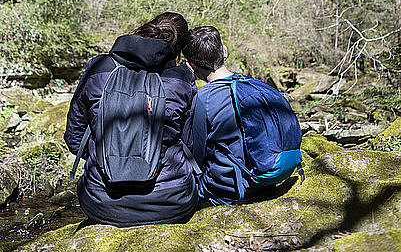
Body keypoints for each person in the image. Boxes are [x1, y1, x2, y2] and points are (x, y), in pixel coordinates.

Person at [64, 12, 198, 227]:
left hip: (101, 201)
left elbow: (74, 138)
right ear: (179, 49)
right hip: (172, 201)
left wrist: (111, 155)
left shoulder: (99, 68)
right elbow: (192, 145)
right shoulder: (181, 79)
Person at [182, 26, 302, 206]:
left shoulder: (204, 98)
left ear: (192, 66)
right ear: (224, 52)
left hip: (232, 189)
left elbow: (198, 154)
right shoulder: (254, 84)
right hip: (266, 180)